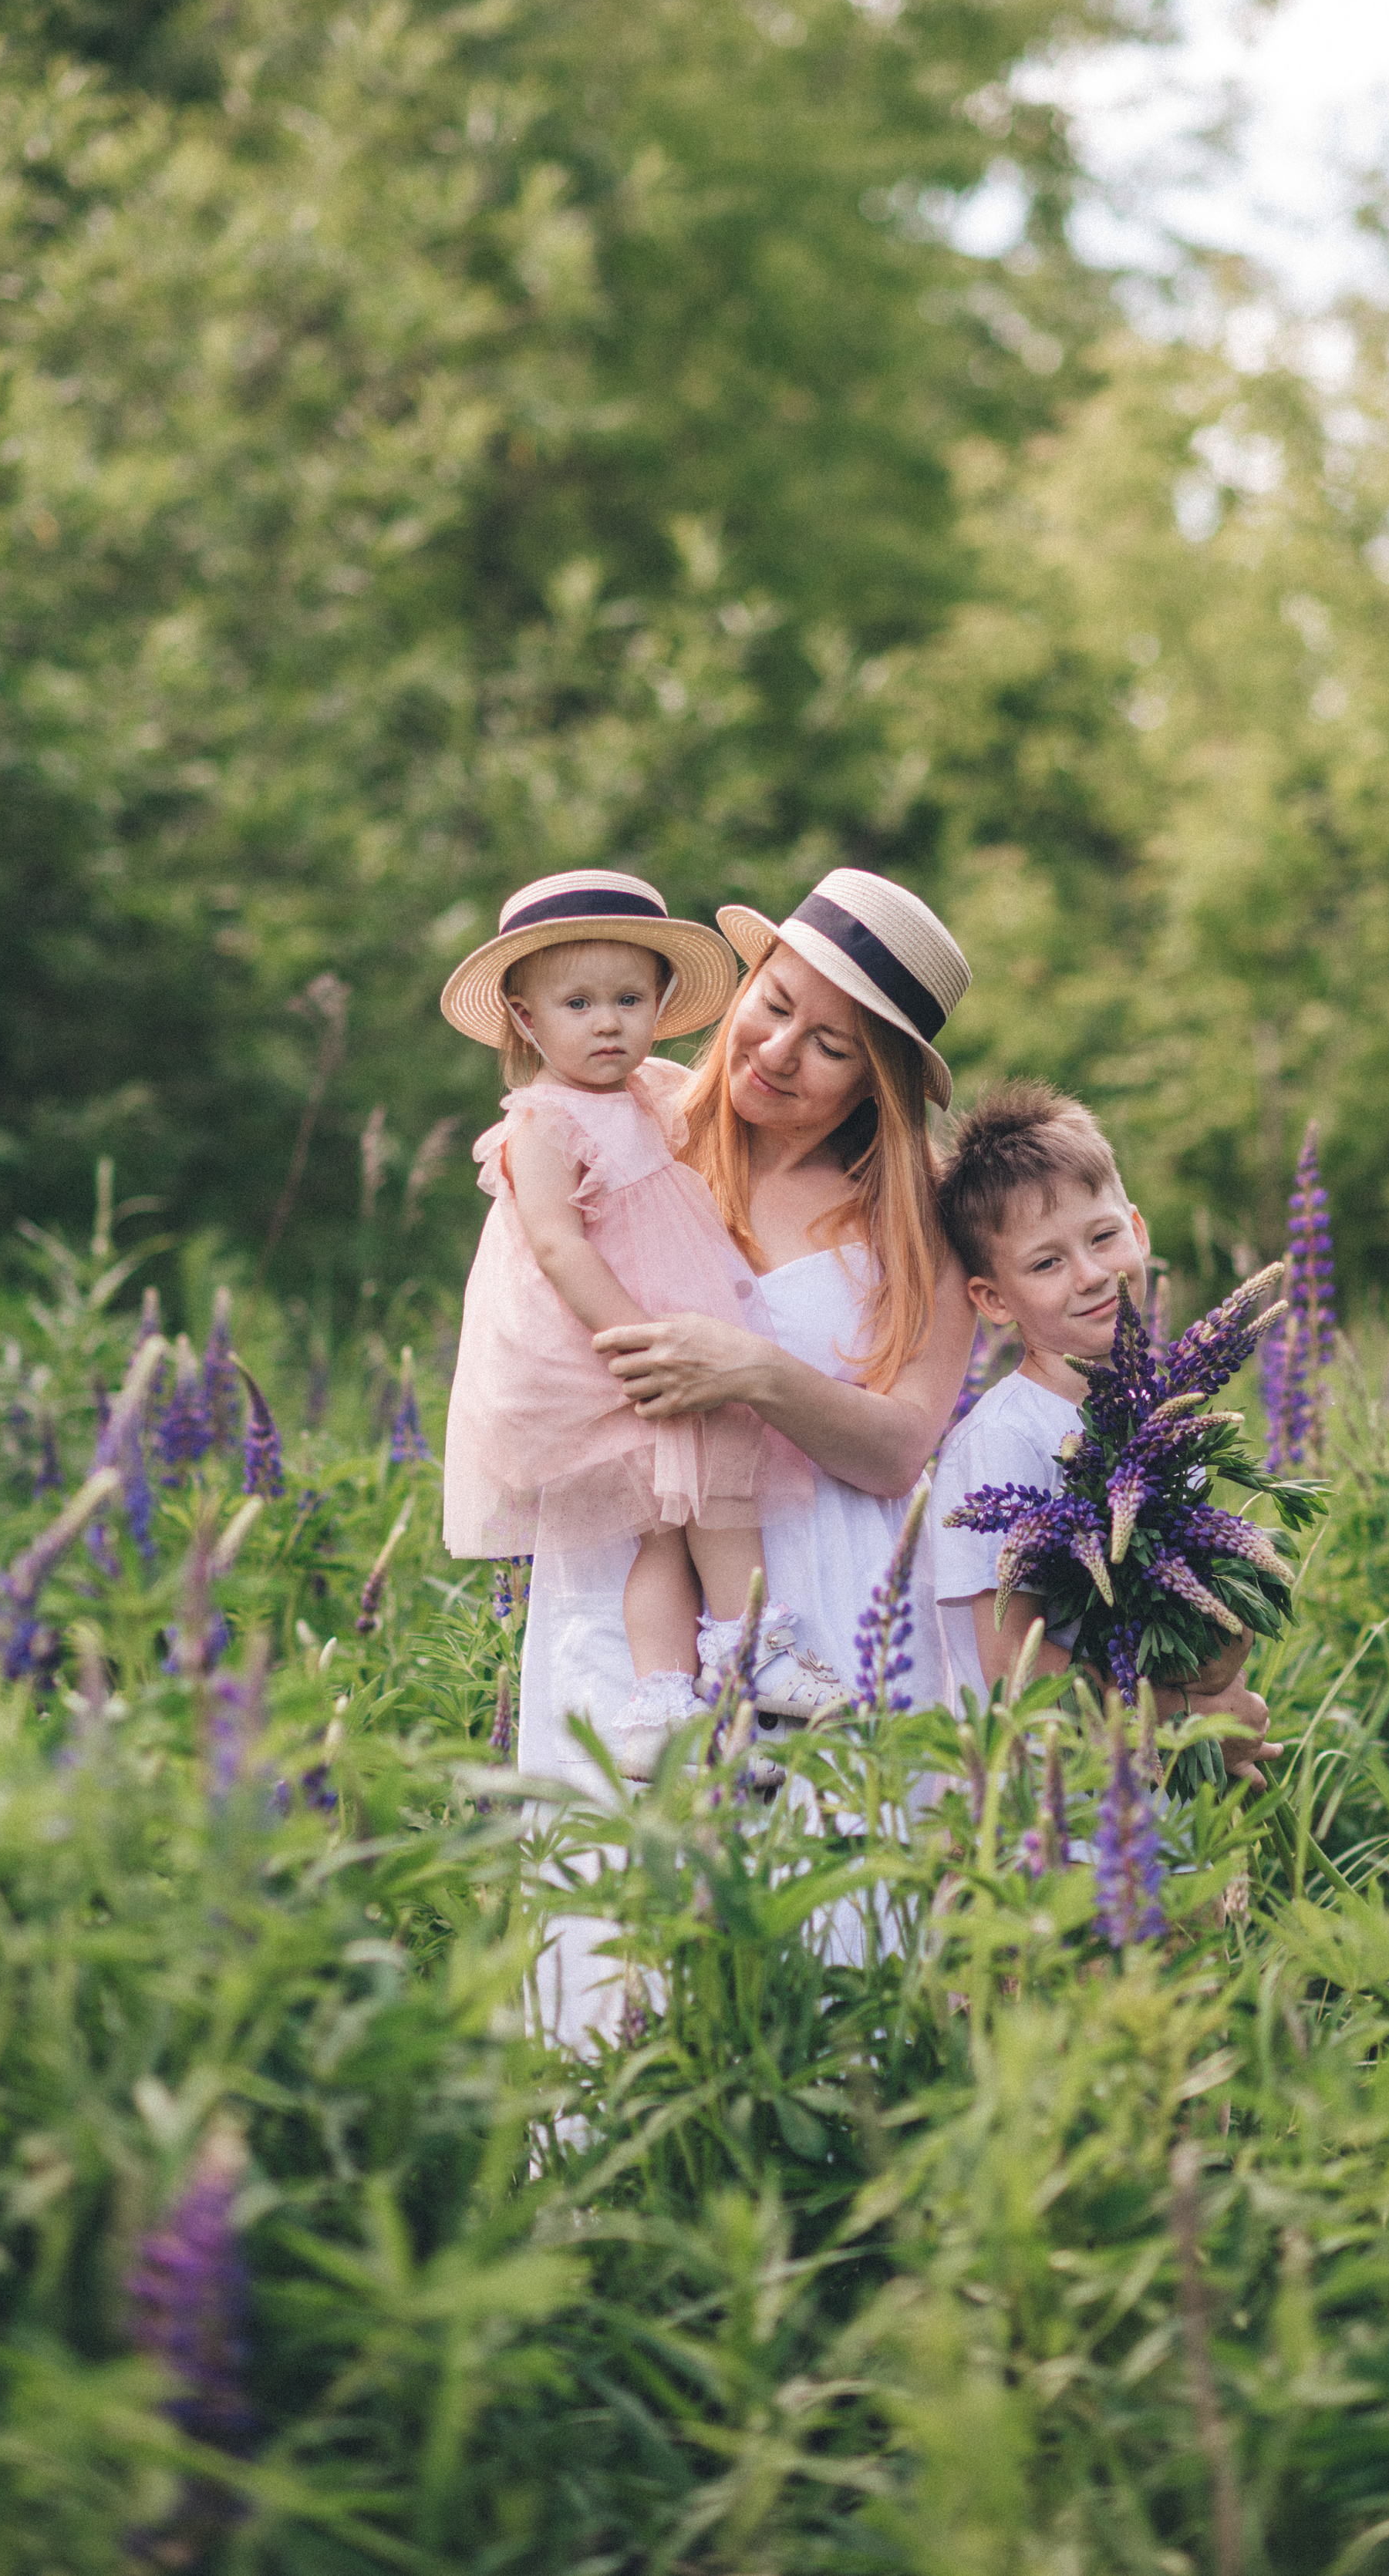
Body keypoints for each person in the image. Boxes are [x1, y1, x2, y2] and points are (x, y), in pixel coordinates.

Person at [516, 867, 979, 2037]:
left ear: (876, 1081)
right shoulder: (629, 1128)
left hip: (826, 1616)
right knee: (628, 1954)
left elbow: (900, 1448)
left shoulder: (915, 1212)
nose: (778, 1052)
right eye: (774, 1005)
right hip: (638, 1602)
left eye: (831, 1046)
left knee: (825, 1964)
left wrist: (760, 1372)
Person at [440, 870, 822, 1774]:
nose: (606, 1022)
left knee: (707, 1500)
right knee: (669, 1524)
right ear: (527, 1020)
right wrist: (636, 1341)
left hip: (673, 1339)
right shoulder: (538, 1123)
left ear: (660, 1008)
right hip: (608, 1350)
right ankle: (670, 1692)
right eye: (577, 1003)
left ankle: (734, 1674)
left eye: (628, 999)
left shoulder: (654, 1090)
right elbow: (558, 1246)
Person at [921, 1079, 1278, 1783]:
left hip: (1163, 1803)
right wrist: (1185, 1722)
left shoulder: (1170, 1424)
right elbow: (1011, 1670)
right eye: (1046, 1263)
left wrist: (1218, 1691)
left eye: (1104, 1237)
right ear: (993, 1299)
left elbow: (1205, 1621)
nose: (1090, 1275)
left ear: (1138, 1231)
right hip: (1059, 1815)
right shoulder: (1006, 1438)